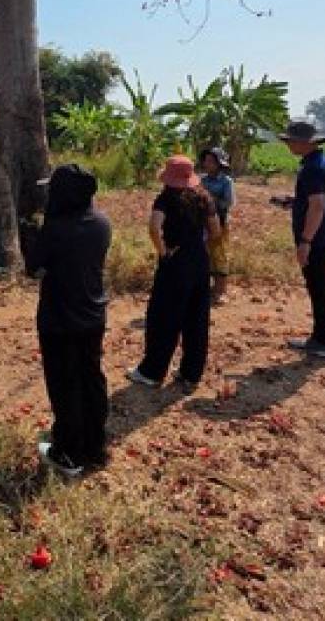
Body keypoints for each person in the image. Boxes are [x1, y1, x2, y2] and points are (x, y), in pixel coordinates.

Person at [26, 164, 112, 478]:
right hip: (93, 315)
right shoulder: (102, 223)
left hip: (59, 318)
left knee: (64, 384)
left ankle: (68, 452)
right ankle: (95, 446)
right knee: (91, 378)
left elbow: (33, 268)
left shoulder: (54, 230)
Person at [126, 155, 220, 393]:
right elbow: (216, 230)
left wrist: (164, 251)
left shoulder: (166, 199)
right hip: (199, 261)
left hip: (175, 263)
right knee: (196, 318)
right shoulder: (204, 198)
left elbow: (154, 227)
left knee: (163, 317)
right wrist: (199, 246)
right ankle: (191, 373)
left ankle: (152, 371)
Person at [278, 120, 325, 359]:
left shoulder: (311, 168)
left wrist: (305, 241)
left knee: (319, 288)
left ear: (303, 143)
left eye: (290, 140)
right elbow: (317, 200)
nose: (287, 145)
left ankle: (322, 340)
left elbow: (317, 206)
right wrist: (295, 202)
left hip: (315, 238)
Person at [199, 147, 235, 304]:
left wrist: (210, 199)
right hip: (203, 221)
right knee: (204, 254)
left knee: (219, 254)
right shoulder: (202, 180)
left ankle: (220, 290)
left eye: (211, 161)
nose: (207, 164)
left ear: (219, 164)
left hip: (220, 221)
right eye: (206, 161)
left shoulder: (226, 182)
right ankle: (206, 288)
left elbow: (228, 202)